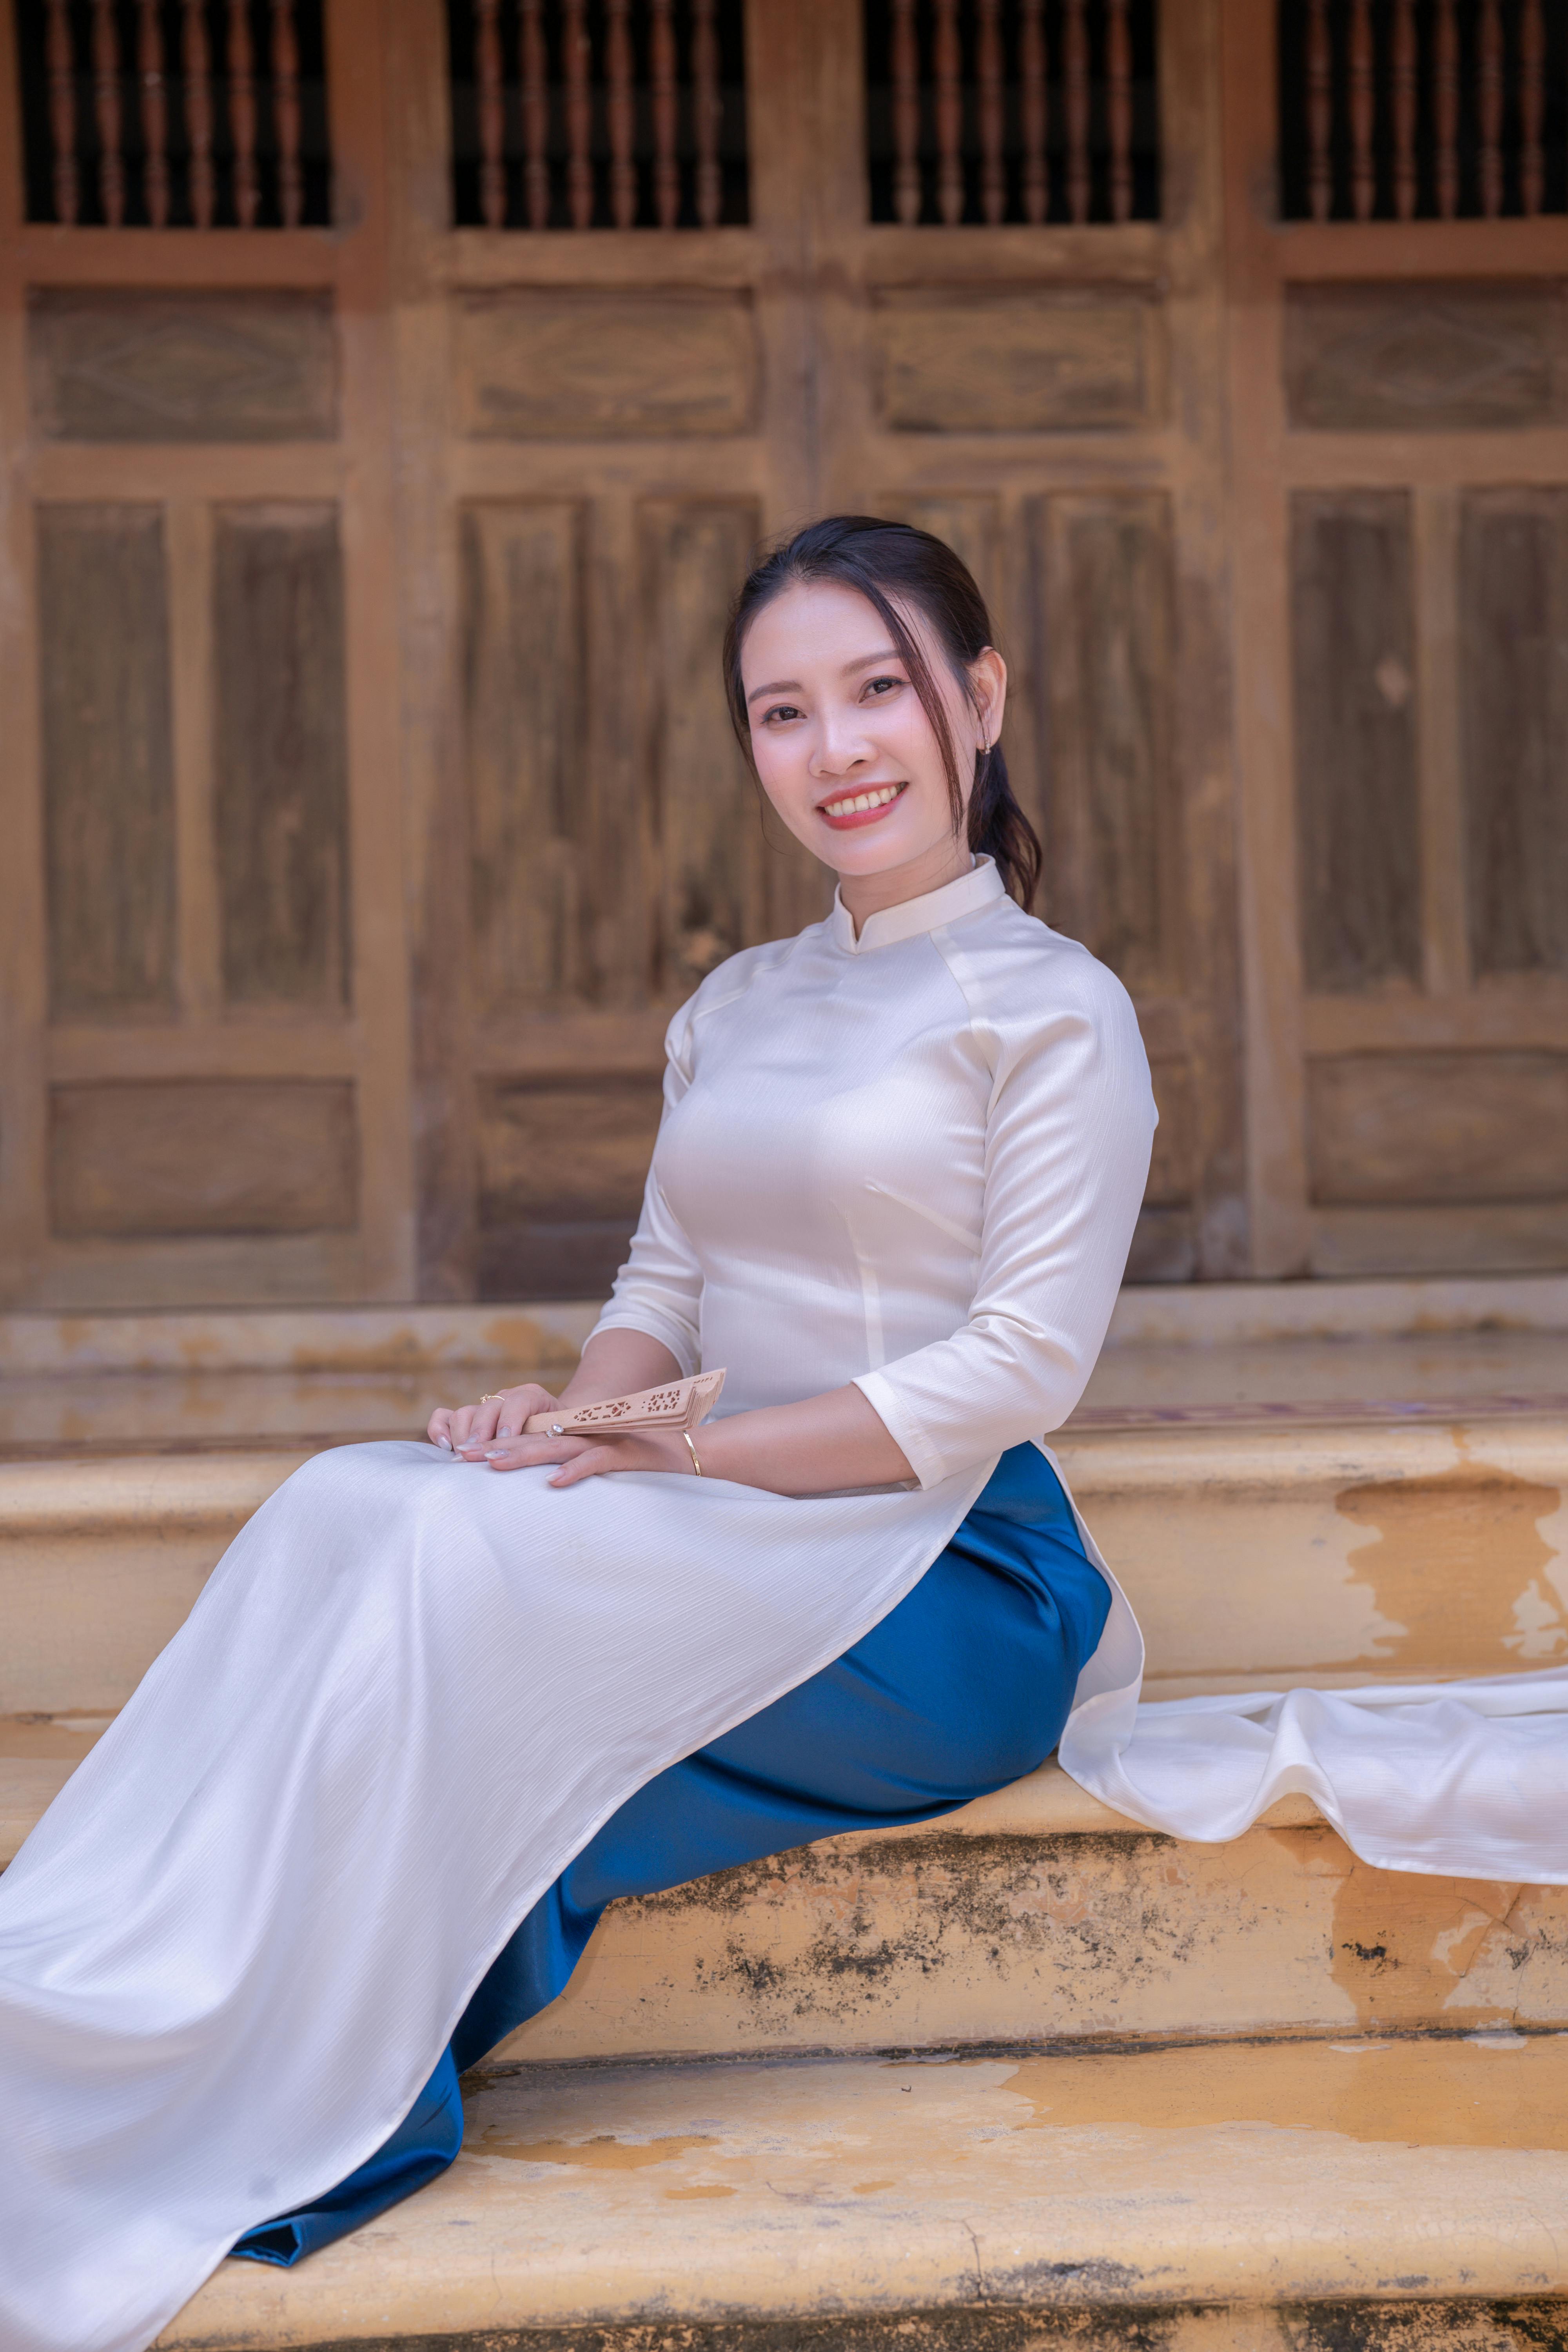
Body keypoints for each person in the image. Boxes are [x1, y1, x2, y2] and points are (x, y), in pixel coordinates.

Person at [7, 516, 1562, 2352]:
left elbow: (1014, 1373)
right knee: (352, 1503)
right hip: (718, 1521)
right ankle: (87, 2009)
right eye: (781, 712)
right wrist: (568, 1427)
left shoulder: (1053, 1012)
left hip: (942, 1574)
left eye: (879, 690)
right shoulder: (735, 1001)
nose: (836, 751)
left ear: (979, 699)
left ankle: (298, 2088)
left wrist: (676, 1462)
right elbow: (662, 1283)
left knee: (440, 1563)